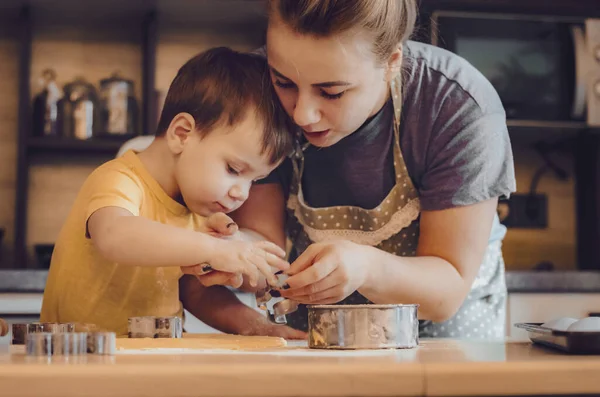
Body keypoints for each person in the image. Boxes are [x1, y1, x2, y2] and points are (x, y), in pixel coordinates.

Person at [228, 0, 517, 339]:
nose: (302, 114)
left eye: (332, 93)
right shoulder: (257, 89)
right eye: (284, 82)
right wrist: (235, 252)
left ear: (392, 63)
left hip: (446, 335)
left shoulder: (454, 104)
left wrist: (364, 268)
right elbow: (266, 248)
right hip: (319, 333)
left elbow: (446, 289)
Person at [40, 47, 305, 338]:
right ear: (182, 134)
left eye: (255, 181)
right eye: (233, 169)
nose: (241, 194)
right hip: (84, 364)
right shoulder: (119, 178)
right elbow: (114, 235)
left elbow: (197, 294)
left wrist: (255, 325)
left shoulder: (195, 210)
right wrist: (214, 250)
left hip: (157, 360)